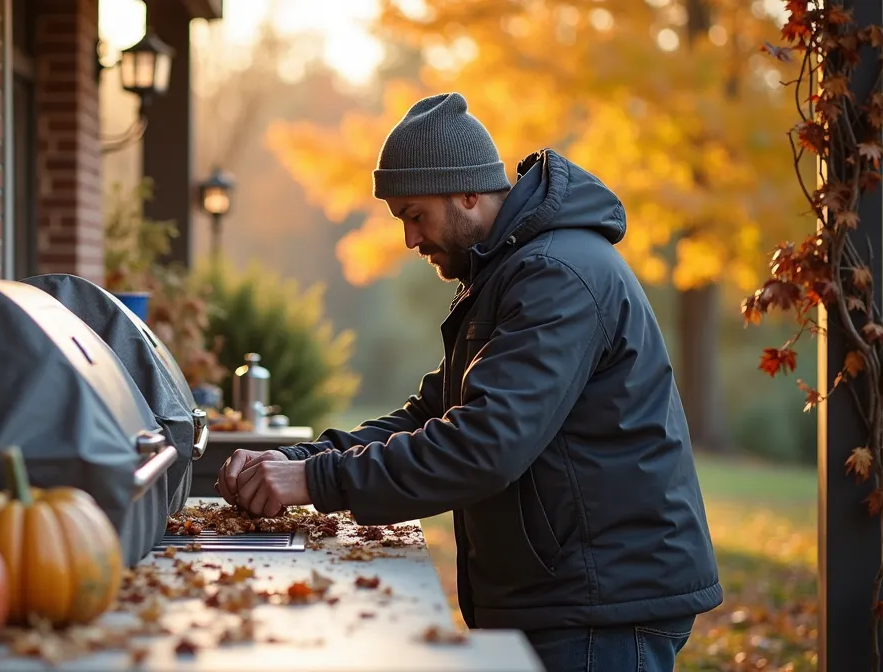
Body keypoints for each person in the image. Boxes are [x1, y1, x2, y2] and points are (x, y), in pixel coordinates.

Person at [214, 92, 722, 672]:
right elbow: (430, 416)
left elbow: (484, 445)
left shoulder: (555, 275)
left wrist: (313, 479)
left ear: (467, 193)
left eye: (414, 215)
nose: (409, 239)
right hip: (567, 597)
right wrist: (301, 458)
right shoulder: (509, 273)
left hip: (598, 608)